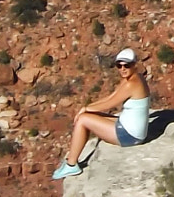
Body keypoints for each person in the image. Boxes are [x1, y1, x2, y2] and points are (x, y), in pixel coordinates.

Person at [52, 48, 151, 179]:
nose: (123, 69)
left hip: (129, 135)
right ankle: (72, 161)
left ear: (134, 65)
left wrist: (86, 109)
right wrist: (87, 108)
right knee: (88, 116)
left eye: (126, 65)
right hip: (129, 127)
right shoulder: (134, 78)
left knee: (83, 120)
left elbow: (110, 104)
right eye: (119, 65)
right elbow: (112, 96)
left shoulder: (131, 84)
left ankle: (71, 165)